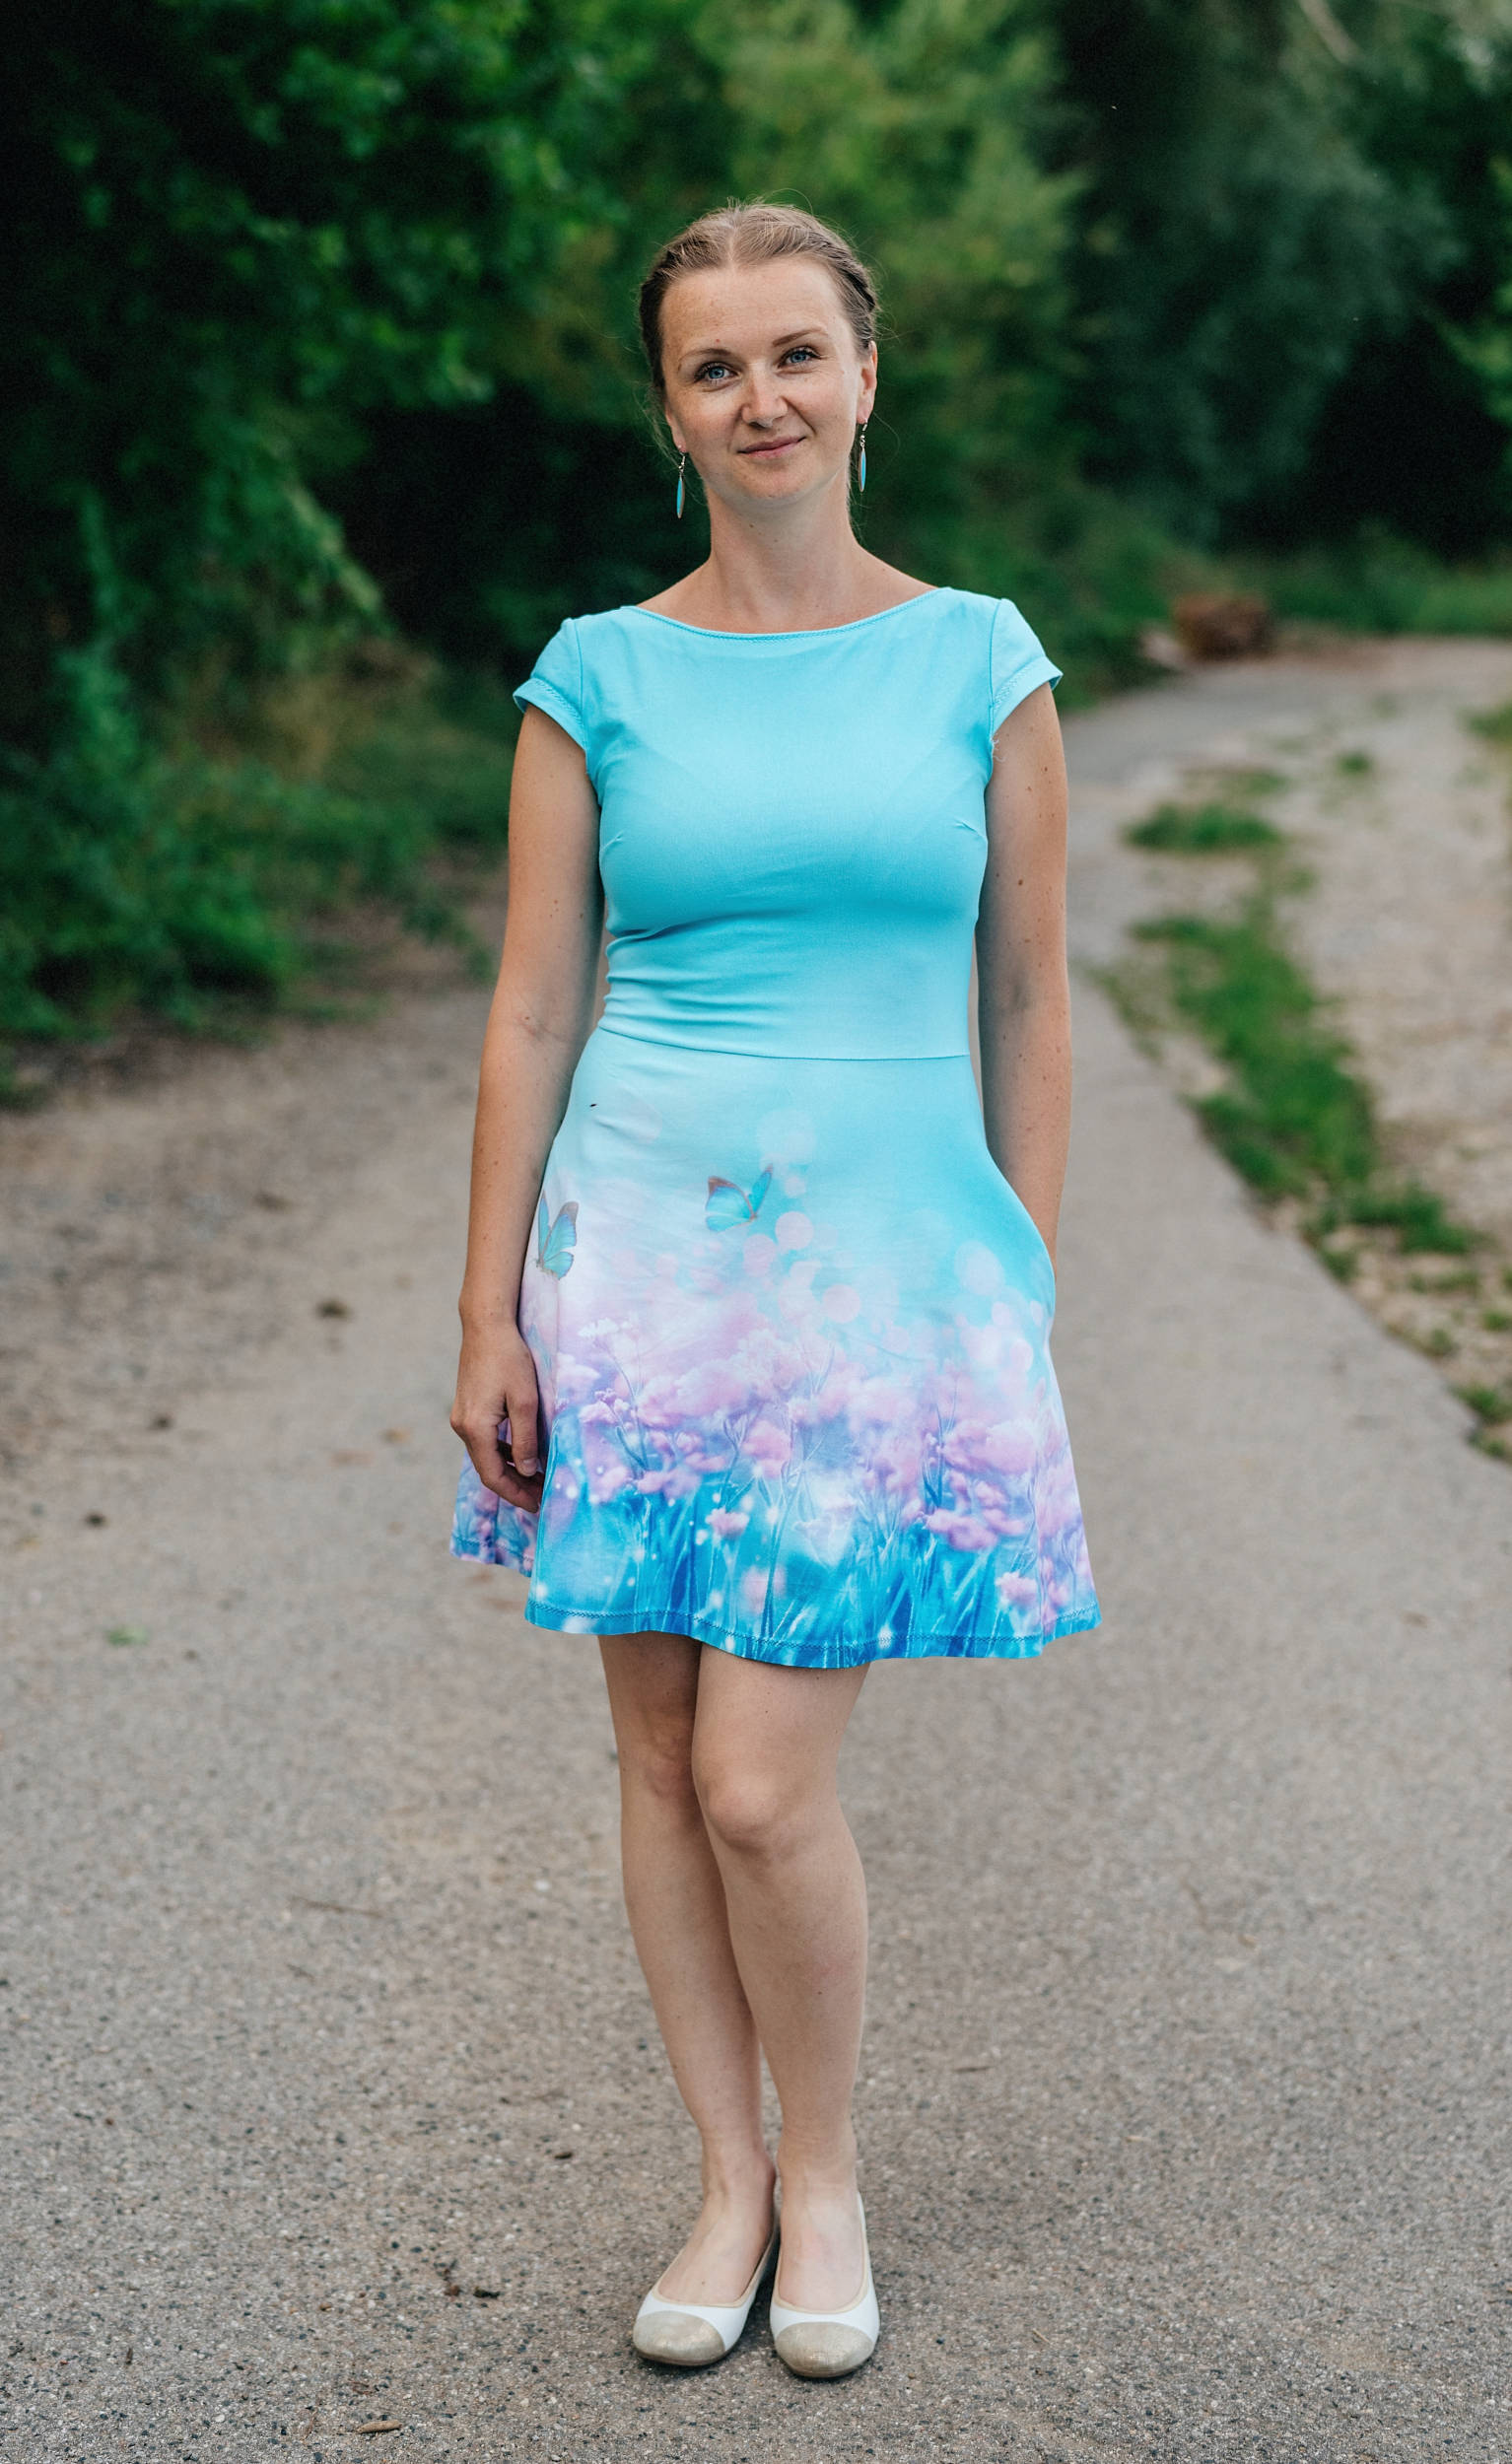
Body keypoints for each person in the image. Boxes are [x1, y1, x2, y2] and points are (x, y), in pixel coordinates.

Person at [449, 201, 1099, 2381]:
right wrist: (486, 1313)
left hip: (879, 1286)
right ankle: (723, 2180)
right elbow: (532, 1006)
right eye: (713, 366)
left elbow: (1031, 993)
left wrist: (1015, 1265)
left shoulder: (979, 662)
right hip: (633, 1267)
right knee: (653, 1754)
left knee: (752, 1778)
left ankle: (826, 2174)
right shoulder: (593, 677)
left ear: (863, 372)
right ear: (668, 411)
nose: (761, 399)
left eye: (794, 353)